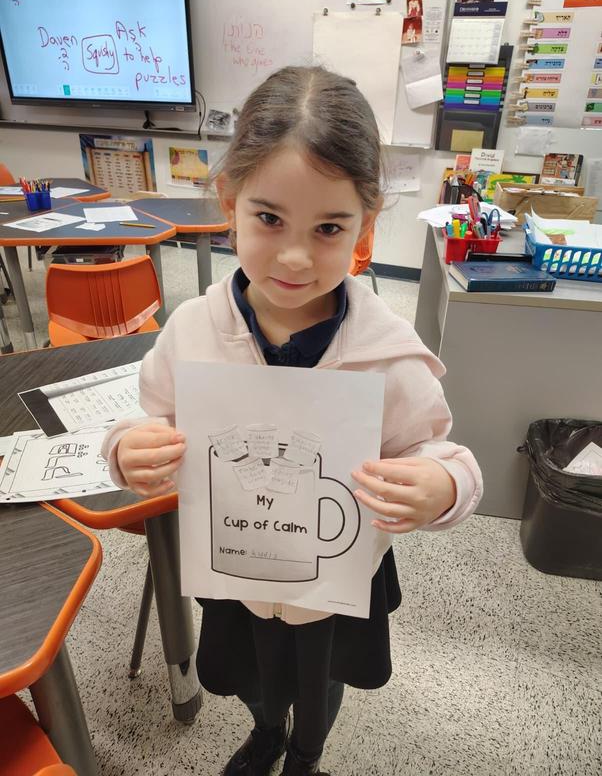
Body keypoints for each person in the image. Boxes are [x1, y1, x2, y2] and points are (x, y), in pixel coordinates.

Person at [102, 65, 483, 776]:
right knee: (253, 678)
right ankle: (268, 733)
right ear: (229, 201)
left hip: (334, 588)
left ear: (365, 226)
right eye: (269, 218)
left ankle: (307, 751)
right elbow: (143, 415)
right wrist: (126, 449)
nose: (297, 256)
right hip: (238, 573)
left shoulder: (389, 358)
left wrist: (442, 488)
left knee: (323, 682)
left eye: (329, 227)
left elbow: (447, 455)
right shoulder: (190, 331)